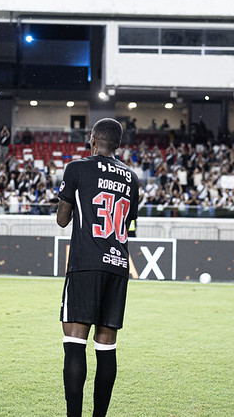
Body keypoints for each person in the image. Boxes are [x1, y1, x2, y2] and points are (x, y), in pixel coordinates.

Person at [56, 118, 140, 417]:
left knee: (75, 342)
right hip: (118, 265)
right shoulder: (132, 177)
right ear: (118, 144)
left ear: (92, 139)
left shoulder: (77, 168)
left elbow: (63, 219)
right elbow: (128, 224)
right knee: (106, 346)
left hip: (86, 264)